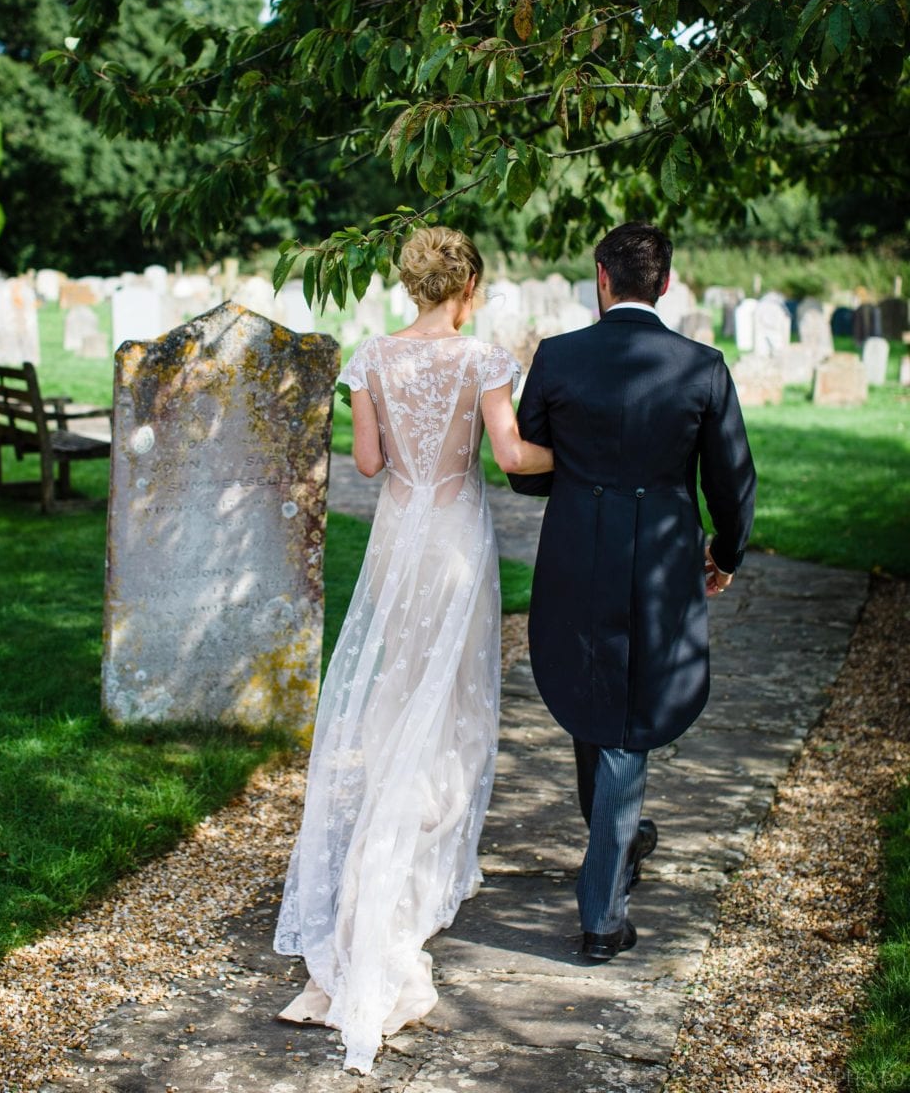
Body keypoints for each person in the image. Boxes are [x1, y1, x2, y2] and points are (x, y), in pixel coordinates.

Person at [273, 226, 553, 1074]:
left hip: (399, 537)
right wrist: (595, 451)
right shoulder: (484, 359)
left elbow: (366, 463)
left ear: (409, 284)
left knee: (399, 695)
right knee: (452, 699)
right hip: (457, 539)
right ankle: (417, 855)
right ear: (467, 287)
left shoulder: (371, 357)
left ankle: (386, 852)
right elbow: (511, 455)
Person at [508, 222, 756, 963]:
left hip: (576, 554)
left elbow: (526, 473)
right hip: (663, 561)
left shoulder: (557, 357)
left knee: (605, 708)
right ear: (666, 284)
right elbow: (733, 481)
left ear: (601, 277)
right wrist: (726, 554)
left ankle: (615, 852)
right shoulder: (702, 367)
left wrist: (585, 473)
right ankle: (603, 917)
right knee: (620, 717)